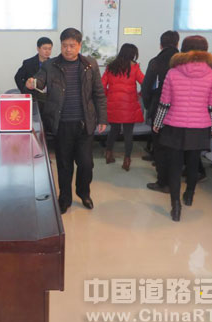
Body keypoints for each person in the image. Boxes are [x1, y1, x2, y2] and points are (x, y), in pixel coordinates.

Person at [26, 28, 107, 214]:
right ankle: (65, 198)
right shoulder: (50, 65)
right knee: (64, 165)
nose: (68, 49)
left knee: (86, 164)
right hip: (61, 124)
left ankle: (84, 193)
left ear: (79, 45)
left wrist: (102, 118)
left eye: (72, 46)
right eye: (64, 46)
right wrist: (32, 82)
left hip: (84, 123)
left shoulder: (90, 65)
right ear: (61, 45)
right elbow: (40, 81)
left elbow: (99, 93)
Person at [153, 35, 212, 222]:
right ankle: (189, 194)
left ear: (183, 49)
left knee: (174, 167)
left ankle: (175, 206)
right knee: (193, 163)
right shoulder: (211, 74)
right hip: (199, 127)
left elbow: (164, 103)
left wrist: (157, 123)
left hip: (174, 125)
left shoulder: (172, 72)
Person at [142, 30, 179, 193]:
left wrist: (149, 106)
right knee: (175, 148)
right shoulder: (183, 62)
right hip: (180, 112)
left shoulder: (156, 62)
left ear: (160, 44)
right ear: (177, 43)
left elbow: (146, 87)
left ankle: (163, 182)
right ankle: (175, 181)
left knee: (160, 147)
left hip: (159, 108)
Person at [101, 43, 144, 171]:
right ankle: (127, 160)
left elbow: (102, 86)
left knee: (113, 130)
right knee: (128, 133)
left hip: (113, 104)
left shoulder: (111, 67)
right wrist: (139, 94)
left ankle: (108, 154)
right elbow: (144, 82)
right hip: (129, 104)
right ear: (132, 54)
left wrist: (109, 95)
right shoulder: (134, 68)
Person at [14, 37, 53, 114]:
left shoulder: (53, 64)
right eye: (45, 48)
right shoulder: (28, 63)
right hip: (33, 98)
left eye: (49, 49)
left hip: (48, 100)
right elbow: (17, 77)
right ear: (38, 49)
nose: (47, 51)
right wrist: (25, 90)